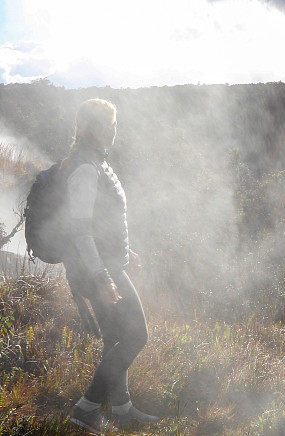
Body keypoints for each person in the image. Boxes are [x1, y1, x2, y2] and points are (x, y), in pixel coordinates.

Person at [60, 98, 160, 432]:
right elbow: (80, 230)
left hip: (105, 265)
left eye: (115, 123)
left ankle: (121, 407)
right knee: (136, 336)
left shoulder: (95, 162)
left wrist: (126, 252)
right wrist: (103, 277)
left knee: (116, 338)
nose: (114, 129)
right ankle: (87, 406)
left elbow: (103, 221)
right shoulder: (86, 169)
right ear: (94, 127)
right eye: (109, 123)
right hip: (97, 271)